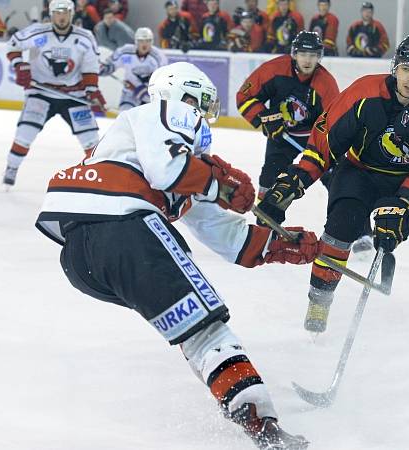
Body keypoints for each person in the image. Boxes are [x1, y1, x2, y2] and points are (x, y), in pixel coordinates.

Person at [35, 61, 315, 450]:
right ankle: (262, 426)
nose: (204, 114)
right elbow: (167, 169)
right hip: (124, 226)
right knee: (207, 328)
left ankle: (242, 407)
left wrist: (279, 245)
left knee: (191, 326)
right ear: (183, 94)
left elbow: (223, 234)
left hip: (84, 255)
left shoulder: (156, 153)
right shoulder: (163, 112)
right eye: (203, 103)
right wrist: (221, 180)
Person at [259, 34, 409, 340]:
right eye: (406, 69)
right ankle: (319, 302)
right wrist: (295, 181)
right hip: (360, 173)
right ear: (396, 67)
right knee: (341, 226)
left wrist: (402, 205)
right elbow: (325, 145)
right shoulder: (363, 91)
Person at [3, 0, 106, 187]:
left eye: (66, 12)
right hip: (40, 92)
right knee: (25, 133)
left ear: (72, 14)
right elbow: (12, 45)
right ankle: (12, 167)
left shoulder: (85, 37)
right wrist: (19, 65)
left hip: (73, 95)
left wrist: (92, 90)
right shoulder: (37, 32)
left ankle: (101, 176)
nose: (62, 16)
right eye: (58, 12)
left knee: (91, 140)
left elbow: (90, 66)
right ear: (51, 14)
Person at [235, 31, 338, 198]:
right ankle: (266, 218)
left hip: (313, 137)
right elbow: (244, 96)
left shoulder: (326, 83)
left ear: (319, 57)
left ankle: (347, 217)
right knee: (270, 179)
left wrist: (329, 152)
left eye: (313, 55)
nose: (307, 60)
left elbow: (333, 122)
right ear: (294, 54)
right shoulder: (274, 69)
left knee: (336, 179)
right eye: (303, 54)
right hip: (281, 134)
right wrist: (265, 119)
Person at [100, 27, 167, 111]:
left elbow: (163, 79)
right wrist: (103, 69)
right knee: (125, 114)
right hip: (130, 94)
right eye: (141, 41)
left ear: (152, 42)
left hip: (150, 96)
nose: (145, 44)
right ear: (136, 42)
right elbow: (110, 65)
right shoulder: (125, 52)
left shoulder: (158, 57)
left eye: (148, 41)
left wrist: (146, 89)